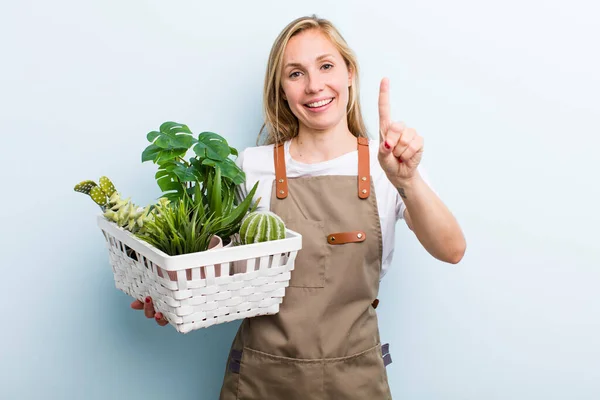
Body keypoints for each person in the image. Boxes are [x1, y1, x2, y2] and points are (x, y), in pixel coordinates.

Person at [132, 14, 466, 399]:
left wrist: (406, 180)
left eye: (326, 66)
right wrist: (170, 296)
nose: (314, 86)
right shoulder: (251, 168)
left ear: (349, 73)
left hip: (354, 381)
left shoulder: (387, 165)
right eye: (296, 73)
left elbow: (452, 249)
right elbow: (212, 269)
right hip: (260, 381)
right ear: (282, 89)